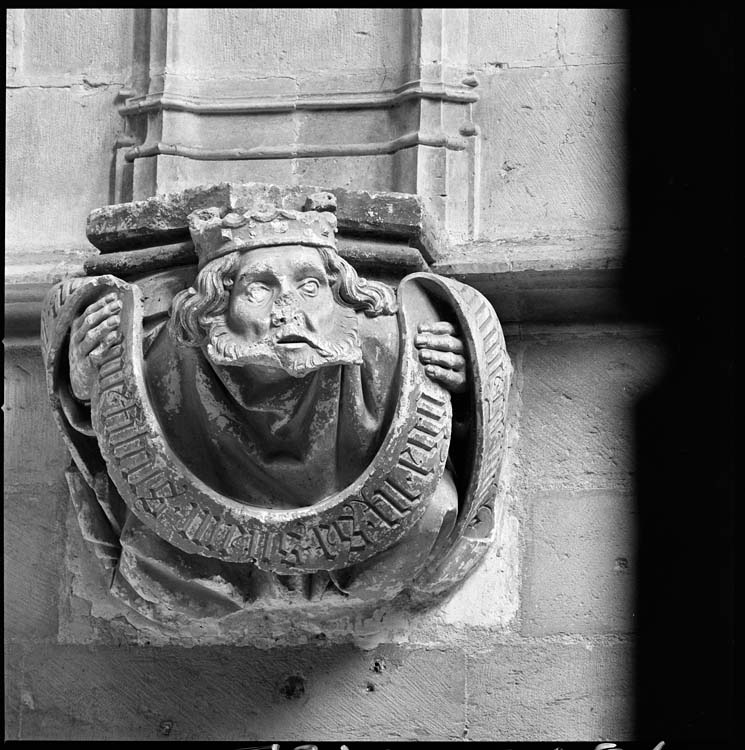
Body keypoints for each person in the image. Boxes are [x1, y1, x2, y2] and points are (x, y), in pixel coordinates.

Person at [65, 205, 471, 613]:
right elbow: (117, 424)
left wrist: (458, 379)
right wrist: (88, 382)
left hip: (367, 532)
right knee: (153, 551)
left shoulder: (386, 349)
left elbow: (457, 425)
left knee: (434, 509)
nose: (287, 310)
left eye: (310, 287)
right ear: (214, 306)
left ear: (342, 294)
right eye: (258, 290)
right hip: (209, 541)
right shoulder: (172, 358)